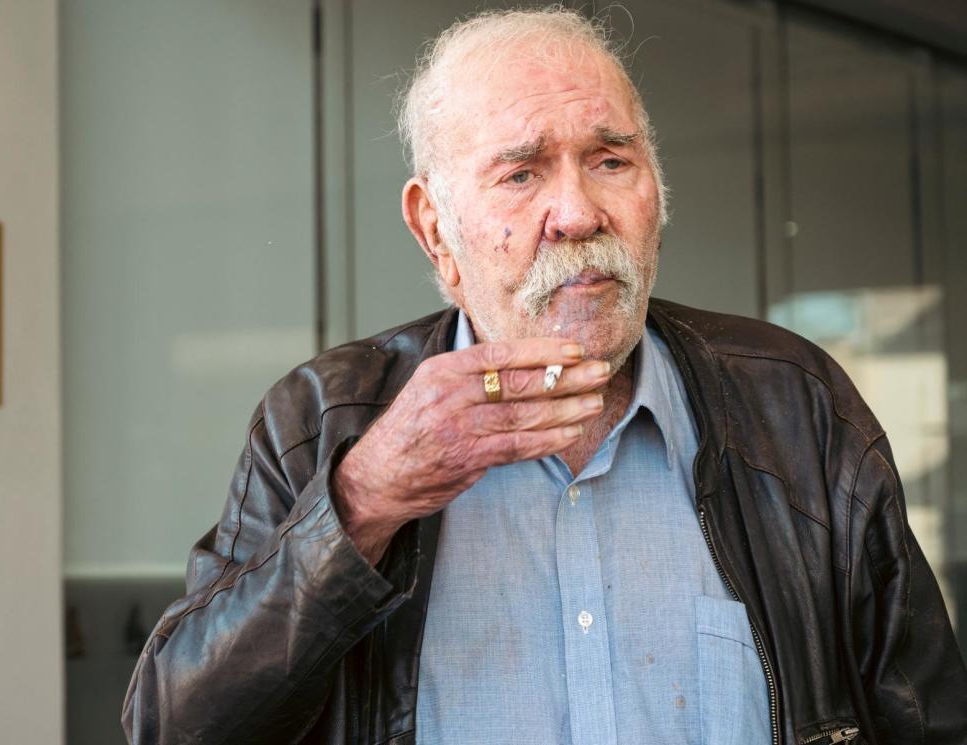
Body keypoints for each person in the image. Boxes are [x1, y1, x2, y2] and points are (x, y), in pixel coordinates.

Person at [122, 7, 967, 744]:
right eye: (522, 173)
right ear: (435, 230)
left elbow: (928, 721)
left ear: (656, 193)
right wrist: (364, 502)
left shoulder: (797, 408)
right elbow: (173, 724)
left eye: (610, 160)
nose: (578, 213)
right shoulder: (321, 423)